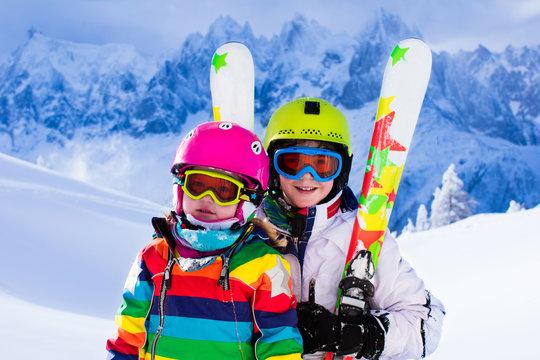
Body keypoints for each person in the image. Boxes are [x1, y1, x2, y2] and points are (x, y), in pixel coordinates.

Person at [256, 97, 445, 360]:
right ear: (271, 167)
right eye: (293, 163)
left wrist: (356, 335)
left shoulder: (363, 239)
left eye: (323, 165)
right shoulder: (250, 230)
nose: (307, 176)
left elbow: (426, 323)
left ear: (341, 169)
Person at [106, 121, 303, 360]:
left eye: (224, 190)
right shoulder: (154, 257)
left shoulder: (263, 265)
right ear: (180, 189)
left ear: (246, 200)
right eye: (197, 185)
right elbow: (127, 338)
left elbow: (279, 341)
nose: (207, 199)